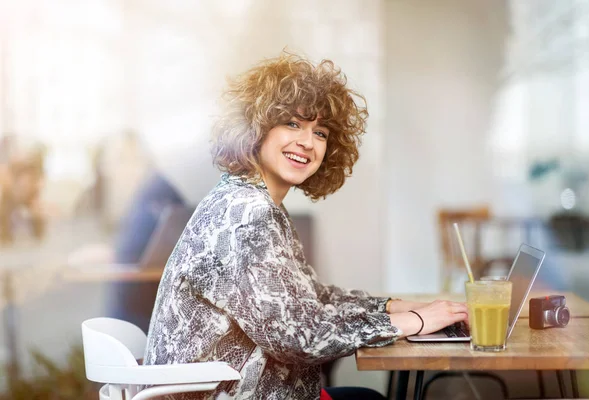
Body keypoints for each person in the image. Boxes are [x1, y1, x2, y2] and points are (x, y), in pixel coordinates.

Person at [144, 52, 468, 400]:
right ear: (257, 128)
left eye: (321, 132)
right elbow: (299, 338)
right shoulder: (246, 215)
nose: (307, 142)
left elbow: (312, 300)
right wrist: (414, 323)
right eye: (293, 124)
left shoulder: (250, 201)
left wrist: (392, 307)